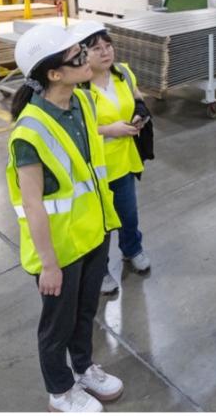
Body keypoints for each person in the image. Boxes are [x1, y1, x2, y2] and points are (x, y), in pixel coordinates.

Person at [8, 24, 124, 413]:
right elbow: (33, 205)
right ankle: (60, 390)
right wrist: (49, 265)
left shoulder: (83, 103)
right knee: (56, 325)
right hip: (57, 248)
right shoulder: (30, 131)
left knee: (85, 312)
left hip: (93, 233)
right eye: (78, 56)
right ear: (54, 74)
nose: (88, 58)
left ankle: (83, 367)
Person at [70, 21, 152, 295]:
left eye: (108, 46)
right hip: (95, 168)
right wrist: (110, 130)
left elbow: (137, 97)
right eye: (96, 49)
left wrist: (140, 112)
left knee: (128, 215)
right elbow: (73, 128)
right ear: (84, 54)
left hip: (124, 161)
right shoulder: (78, 88)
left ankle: (132, 249)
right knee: (100, 224)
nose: (106, 53)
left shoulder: (123, 74)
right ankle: (100, 269)